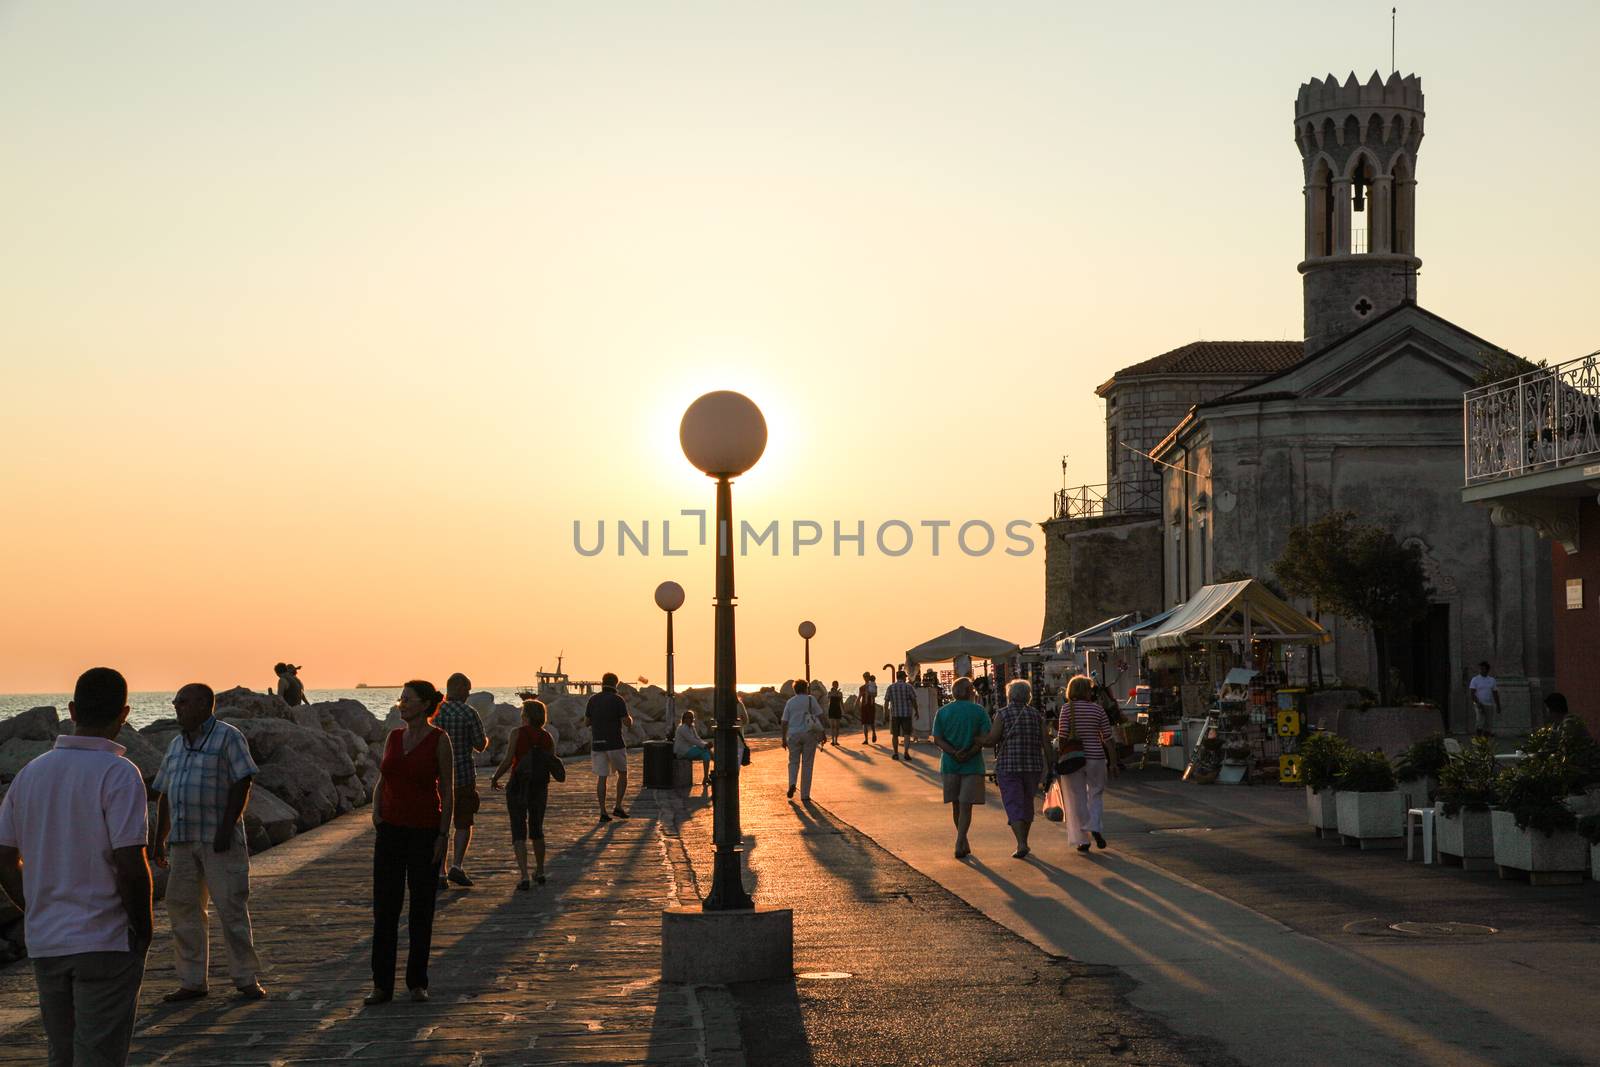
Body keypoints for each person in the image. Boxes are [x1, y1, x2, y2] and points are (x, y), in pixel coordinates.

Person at [0, 667, 153, 1066]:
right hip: (104, 938)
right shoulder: (119, 773)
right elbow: (129, 862)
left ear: (71, 710)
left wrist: (32, 904)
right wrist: (143, 925)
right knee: (100, 1055)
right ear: (124, 714)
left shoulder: (29, 774)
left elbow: (2, 857)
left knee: (62, 1054)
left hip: (47, 942)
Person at [151, 683, 266, 1002]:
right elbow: (164, 793)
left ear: (204, 704)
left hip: (219, 841)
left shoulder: (228, 736)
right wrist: (159, 839)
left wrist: (226, 829)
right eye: (175, 702)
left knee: (231, 906)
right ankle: (191, 980)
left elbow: (243, 780)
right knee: (183, 909)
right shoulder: (176, 744)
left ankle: (245, 977)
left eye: (183, 702)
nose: (177, 706)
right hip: (183, 841)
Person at [367, 680, 454, 1005]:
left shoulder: (438, 740)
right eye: (400, 699)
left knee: (421, 908)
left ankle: (417, 982)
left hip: (424, 831)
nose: (401, 704)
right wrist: (376, 813)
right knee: (385, 909)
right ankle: (381, 985)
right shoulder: (393, 737)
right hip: (390, 830)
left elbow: (447, 789)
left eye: (407, 699)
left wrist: (443, 836)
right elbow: (383, 778)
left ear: (425, 704)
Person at [490, 699, 563, 889]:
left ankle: (524, 875)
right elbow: (551, 761)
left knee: (518, 828)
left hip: (517, 785)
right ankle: (540, 870)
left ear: (527, 716)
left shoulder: (517, 733)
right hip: (539, 787)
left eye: (523, 713)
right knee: (537, 828)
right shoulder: (548, 737)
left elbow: (507, 760)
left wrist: (495, 777)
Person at [980, 679, 1050, 860]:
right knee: (1027, 803)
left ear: (1009, 695)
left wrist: (976, 739)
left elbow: (992, 740)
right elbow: (1046, 743)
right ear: (1028, 696)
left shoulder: (1002, 714)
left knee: (1013, 802)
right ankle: (1024, 840)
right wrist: (1052, 764)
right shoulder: (1037, 715)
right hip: (1033, 766)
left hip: (1009, 766)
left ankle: (1021, 843)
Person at [433, 673, 488, 888]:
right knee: (463, 821)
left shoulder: (435, 713)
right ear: (460, 689)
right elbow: (480, 745)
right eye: (467, 689)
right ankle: (457, 865)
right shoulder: (469, 713)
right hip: (463, 776)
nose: (469, 694)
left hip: (438, 778)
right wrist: (485, 739)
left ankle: (440, 871)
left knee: (440, 824)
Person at [932, 677, 991, 859]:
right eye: (972, 689)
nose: (974, 692)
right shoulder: (979, 711)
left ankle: (961, 840)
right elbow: (985, 738)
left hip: (950, 764)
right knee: (966, 807)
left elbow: (938, 739)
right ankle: (960, 841)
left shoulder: (943, 712)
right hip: (972, 765)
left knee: (956, 806)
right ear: (968, 692)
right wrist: (971, 751)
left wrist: (953, 752)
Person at [1058, 674, 1117, 853]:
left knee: (1077, 798)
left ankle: (1083, 840)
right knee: (1096, 793)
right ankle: (1094, 826)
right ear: (1087, 691)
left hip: (1074, 758)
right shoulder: (1098, 710)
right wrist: (1113, 762)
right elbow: (1108, 738)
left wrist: (1060, 756)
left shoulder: (1067, 709)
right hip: (1096, 757)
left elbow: (1062, 737)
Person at [584, 672, 633, 822]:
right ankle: (618, 806)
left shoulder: (592, 699)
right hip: (615, 743)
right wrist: (630, 719)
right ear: (616, 684)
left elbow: (586, 722)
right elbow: (626, 722)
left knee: (602, 778)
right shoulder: (618, 700)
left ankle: (603, 812)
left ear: (602, 682)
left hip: (598, 743)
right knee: (622, 774)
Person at [781, 679, 824, 802]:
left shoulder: (790, 702)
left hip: (793, 735)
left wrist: (783, 738)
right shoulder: (811, 699)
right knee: (807, 764)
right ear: (806, 688)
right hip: (809, 734)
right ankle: (805, 794)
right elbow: (820, 716)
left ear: (795, 689)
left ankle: (792, 784)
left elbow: (784, 722)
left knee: (793, 762)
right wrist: (823, 732)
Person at [884, 669, 918, 762]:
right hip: (906, 714)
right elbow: (913, 700)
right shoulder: (909, 687)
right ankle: (906, 752)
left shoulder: (890, 687)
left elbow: (886, 702)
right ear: (903, 677)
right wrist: (917, 711)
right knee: (907, 734)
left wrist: (886, 714)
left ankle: (895, 753)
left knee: (895, 735)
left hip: (895, 714)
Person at [671, 709, 713, 784]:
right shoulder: (683, 728)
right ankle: (716, 770)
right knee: (706, 751)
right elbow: (692, 740)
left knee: (706, 755)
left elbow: (698, 739)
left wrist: (706, 744)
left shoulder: (691, 727)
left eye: (691, 717)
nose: (690, 719)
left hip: (689, 750)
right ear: (684, 719)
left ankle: (706, 777)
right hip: (682, 752)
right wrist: (705, 746)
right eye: (688, 717)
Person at [1467, 662, 1500, 736]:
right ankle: (1478, 738)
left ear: (1487, 670)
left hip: (1489, 704)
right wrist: (1478, 703)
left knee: (1488, 723)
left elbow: (1495, 693)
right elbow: (1472, 693)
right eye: (1480, 668)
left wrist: (1498, 705)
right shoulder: (1475, 679)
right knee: (1479, 722)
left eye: (1483, 669)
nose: (1481, 670)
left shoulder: (1492, 680)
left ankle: (1485, 741)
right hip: (1479, 704)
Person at [857, 671, 878, 744]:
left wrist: (868, 692)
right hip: (864, 706)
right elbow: (859, 696)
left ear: (869, 677)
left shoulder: (873, 686)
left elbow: (875, 694)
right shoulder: (862, 687)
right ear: (863, 678)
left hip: (871, 705)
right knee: (864, 723)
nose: (866, 678)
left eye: (867, 676)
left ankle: (874, 733)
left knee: (871, 722)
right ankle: (866, 739)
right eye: (865, 677)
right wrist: (856, 703)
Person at [826, 681, 844, 746]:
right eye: (834, 685)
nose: (836, 686)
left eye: (836, 685)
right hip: (831, 710)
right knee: (832, 726)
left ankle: (836, 740)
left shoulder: (840, 693)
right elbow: (828, 697)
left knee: (837, 726)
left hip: (838, 710)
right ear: (832, 685)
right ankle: (833, 740)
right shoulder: (830, 692)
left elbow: (841, 702)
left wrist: (843, 710)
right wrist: (834, 693)